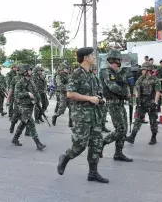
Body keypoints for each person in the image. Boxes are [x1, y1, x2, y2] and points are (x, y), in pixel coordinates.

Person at [56, 47, 108, 183]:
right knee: (80, 145)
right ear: (85, 57)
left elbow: (98, 93)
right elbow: (70, 94)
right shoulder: (76, 74)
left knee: (96, 144)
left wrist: (100, 98)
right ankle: (65, 157)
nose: (94, 57)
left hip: (95, 115)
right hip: (81, 117)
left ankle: (93, 173)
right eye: (92, 55)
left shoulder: (92, 75)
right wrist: (90, 98)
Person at [99, 49, 133, 162]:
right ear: (111, 60)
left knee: (124, 128)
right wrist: (126, 93)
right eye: (115, 61)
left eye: (118, 61)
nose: (116, 63)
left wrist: (128, 91)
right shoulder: (106, 72)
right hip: (113, 103)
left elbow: (125, 85)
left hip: (120, 103)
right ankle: (102, 142)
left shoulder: (118, 73)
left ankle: (118, 153)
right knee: (120, 129)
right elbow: (112, 87)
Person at [12, 64, 46, 150]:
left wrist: (38, 101)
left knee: (24, 122)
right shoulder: (20, 83)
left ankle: (15, 139)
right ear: (24, 72)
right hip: (23, 106)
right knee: (31, 122)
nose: (31, 71)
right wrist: (27, 94)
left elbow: (35, 92)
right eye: (29, 70)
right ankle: (38, 143)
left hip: (30, 105)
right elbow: (16, 94)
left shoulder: (31, 81)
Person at [126, 62, 161, 145]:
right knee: (138, 119)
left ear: (148, 70)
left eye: (143, 69)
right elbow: (135, 86)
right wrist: (136, 93)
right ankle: (132, 137)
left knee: (153, 121)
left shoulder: (155, 79)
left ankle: (154, 137)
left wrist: (155, 103)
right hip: (141, 102)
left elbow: (158, 92)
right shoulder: (141, 78)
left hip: (151, 102)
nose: (141, 71)